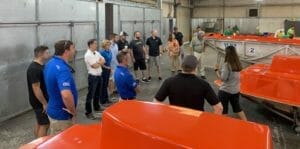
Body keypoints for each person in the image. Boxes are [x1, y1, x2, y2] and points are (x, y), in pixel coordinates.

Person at [154, 55, 223, 114]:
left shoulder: (169, 82)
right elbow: (219, 108)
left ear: (181, 66)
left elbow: (156, 102)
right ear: (196, 68)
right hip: (196, 122)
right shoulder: (203, 84)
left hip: (176, 120)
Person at [44, 40, 78, 135]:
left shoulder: (50, 63)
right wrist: (73, 111)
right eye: (73, 48)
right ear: (66, 51)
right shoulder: (62, 69)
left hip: (53, 108)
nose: (75, 50)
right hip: (61, 115)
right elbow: (66, 95)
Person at [214, 45, 247, 121]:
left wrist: (216, 70)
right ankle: (246, 123)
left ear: (227, 54)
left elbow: (223, 79)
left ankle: (223, 127)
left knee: (224, 110)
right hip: (235, 90)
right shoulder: (238, 63)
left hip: (225, 91)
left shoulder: (226, 65)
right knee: (237, 108)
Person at [26, 46, 50, 137]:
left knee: (40, 122)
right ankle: (41, 144)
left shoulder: (41, 66)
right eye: (47, 52)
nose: (49, 54)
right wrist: (44, 103)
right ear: (40, 54)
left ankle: (36, 142)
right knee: (45, 124)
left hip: (41, 100)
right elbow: (36, 88)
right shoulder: (34, 68)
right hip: (39, 101)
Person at [84, 39, 106, 119]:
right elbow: (94, 66)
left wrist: (98, 63)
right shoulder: (88, 55)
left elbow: (104, 60)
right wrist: (100, 62)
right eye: (95, 44)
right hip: (93, 77)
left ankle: (97, 107)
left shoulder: (97, 52)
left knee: (97, 93)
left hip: (99, 75)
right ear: (90, 45)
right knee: (90, 95)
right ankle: (88, 112)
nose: (96, 45)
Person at [100, 40, 113, 106]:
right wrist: (106, 67)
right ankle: (102, 101)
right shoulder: (102, 52)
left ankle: (107, 99)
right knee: (103, 85)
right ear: (104, 45)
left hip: (108, 68)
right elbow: (100, 62)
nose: (109, 46)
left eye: (109, 45)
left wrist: (110, 68)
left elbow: (110, 61)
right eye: (107, 45)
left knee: (106, 84)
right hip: (103, 70)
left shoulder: (109, 51)